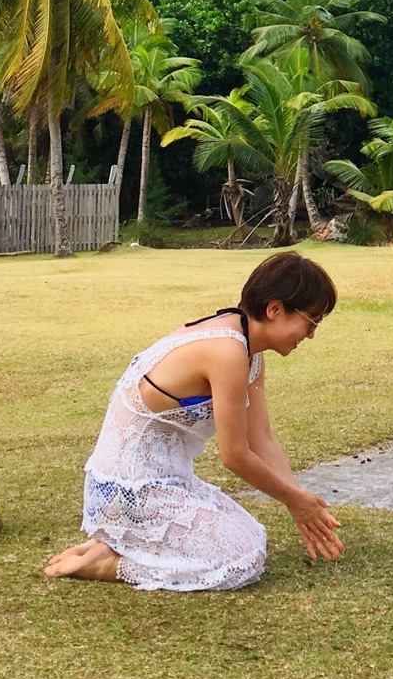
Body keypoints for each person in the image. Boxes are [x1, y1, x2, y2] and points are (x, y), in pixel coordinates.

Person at [43, 251, 343, 589]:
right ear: (275, 309)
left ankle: (117, 544)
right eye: (312, 320)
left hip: (168, 481)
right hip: (126, 491)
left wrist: (299, 499)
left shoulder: (249, 350)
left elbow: (262, 438)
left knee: (251, 535)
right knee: (242, 560)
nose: (311, 333)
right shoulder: (227, 351)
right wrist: (292, 500)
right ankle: (109, 563)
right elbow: (235, 456)